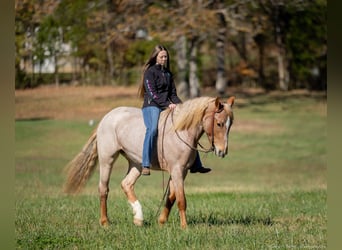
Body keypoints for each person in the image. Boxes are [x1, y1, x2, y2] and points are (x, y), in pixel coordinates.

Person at [138, 44, 211, 176]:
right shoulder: (150, 72)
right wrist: (167, 104)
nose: (164, 59)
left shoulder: (168, 74)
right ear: (155, 57)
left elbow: (173, 94)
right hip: (152, 105)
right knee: (153, 129)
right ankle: (145, 163)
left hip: (167, 104)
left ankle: (196, 164)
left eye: (166, 57)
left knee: (189, 126)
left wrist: (182, 106)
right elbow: (152, 93)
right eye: (161, 56)